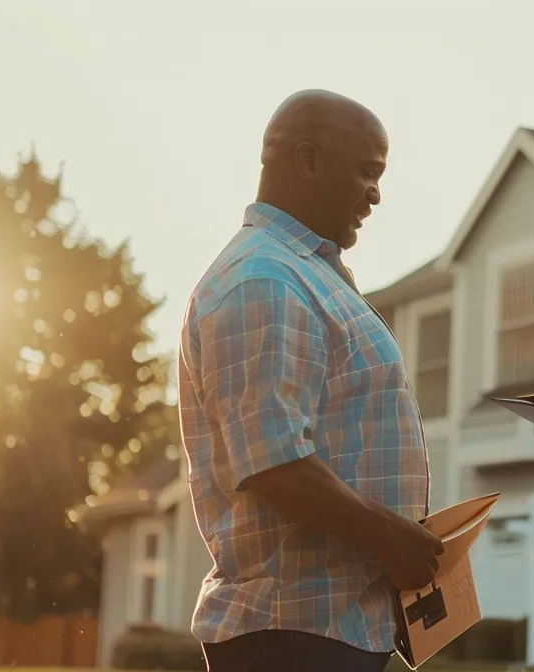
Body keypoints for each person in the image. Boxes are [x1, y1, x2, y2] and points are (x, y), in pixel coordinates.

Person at [178, 89, 442, 672]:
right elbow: (274, 464)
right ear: (307, 160)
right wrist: (393, 538)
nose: (376, 193)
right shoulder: (263, 278)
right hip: (292, 633)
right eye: (367, 172)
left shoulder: (302, 274)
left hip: (323, 629)